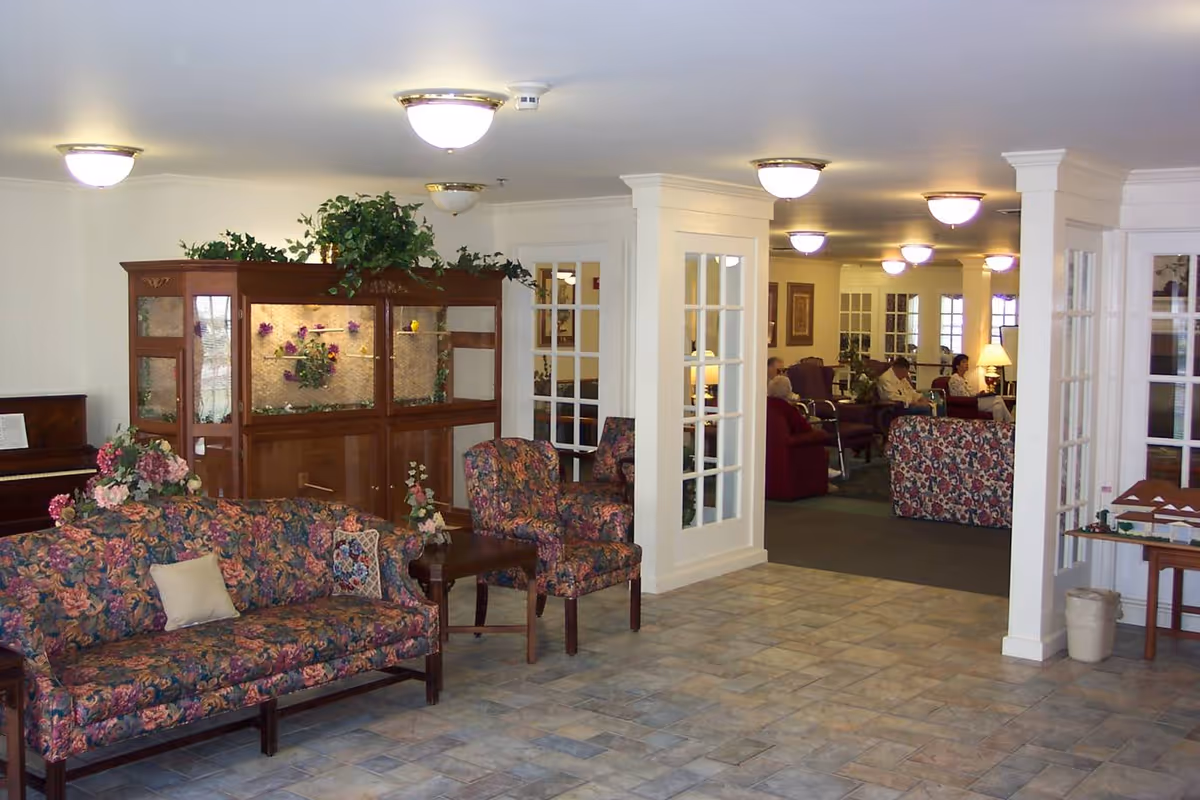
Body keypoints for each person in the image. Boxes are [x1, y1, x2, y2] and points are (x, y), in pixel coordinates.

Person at [767, 375, 839, 487]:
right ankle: (824, 471)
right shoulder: (787, 409)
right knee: (817, 431)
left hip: (772, 444)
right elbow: (804, 428)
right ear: (788, 390)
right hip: (793, 444)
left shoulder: (765, 405)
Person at [948, 354, 1014, 422]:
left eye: (967, 362)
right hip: (967, 404)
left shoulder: (963, 378)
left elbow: (970, 393)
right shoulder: (955, 378)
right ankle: (1010, 421)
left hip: (972, 401)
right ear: (957, 366)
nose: (967, 364)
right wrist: (977, 396)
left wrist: (979, 394)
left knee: (998, 407)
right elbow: (964, 396)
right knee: (998, 398)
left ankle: (998, 426)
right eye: (964, 362)